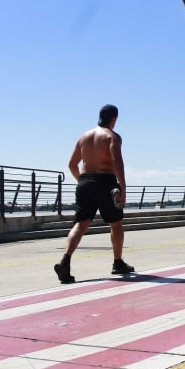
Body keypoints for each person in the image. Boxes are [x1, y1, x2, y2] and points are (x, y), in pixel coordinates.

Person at [54, 104, 134, 284]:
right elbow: (117, 160)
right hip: (106, 182)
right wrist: (122, 187)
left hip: (85, 182)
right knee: (116, 223)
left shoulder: (84, 137)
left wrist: (83, 182)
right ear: (114, 118)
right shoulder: (112, 136)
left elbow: (72, 165)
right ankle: (118, 262)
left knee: (81, 224)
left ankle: (65, 261)